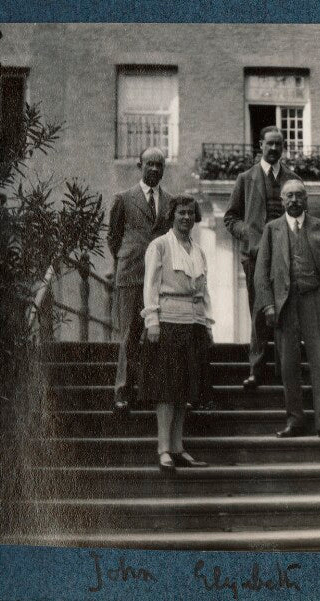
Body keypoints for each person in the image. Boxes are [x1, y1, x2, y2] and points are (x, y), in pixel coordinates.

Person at [255, 180, 320, 441]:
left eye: (299, 195)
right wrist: (269, 305)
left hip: (314, 301)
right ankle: (295, 420)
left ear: (306, 199)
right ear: (282, 201)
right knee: (288, 365)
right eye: (289, 196)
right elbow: (261, 273)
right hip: (284, 305)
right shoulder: (272, 230)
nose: (294, 200)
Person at [138, 195, 213, 474]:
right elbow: (151, 285)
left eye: (191, 214)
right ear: (172, 215)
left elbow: (204, 291)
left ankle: (179, 447)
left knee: (185, 389)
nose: (186, 218)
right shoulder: (159, 246)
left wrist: (206, 323)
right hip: (167, 321)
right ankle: (163, 449)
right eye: (181, 213)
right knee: (167, 389)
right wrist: (152, 320)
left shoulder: (199, 251)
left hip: (192, 323)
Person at [224, 126, 302, 390]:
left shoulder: (293, 179)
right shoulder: (246, 178)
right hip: (256, 257)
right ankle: (256, 369)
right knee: (259, 310)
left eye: (278, 144)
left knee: (285, 309)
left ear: (283, 147)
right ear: (260, 145)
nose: (274, 149)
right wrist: (249, 235)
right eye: (269, 144)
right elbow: (230, 218)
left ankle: (284, 368)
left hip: (287, 256)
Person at [107, 147, 171, 413]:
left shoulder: (170, 201)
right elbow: (113, 238)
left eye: (159, 165)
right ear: (139, 165)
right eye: (150, 164)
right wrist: (129, 258)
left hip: (160, 280)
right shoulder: (123, 199)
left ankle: (150, 391)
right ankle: (123, 392)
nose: (154, 169)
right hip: (131, 275)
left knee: (158, 336)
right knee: (130, 335)